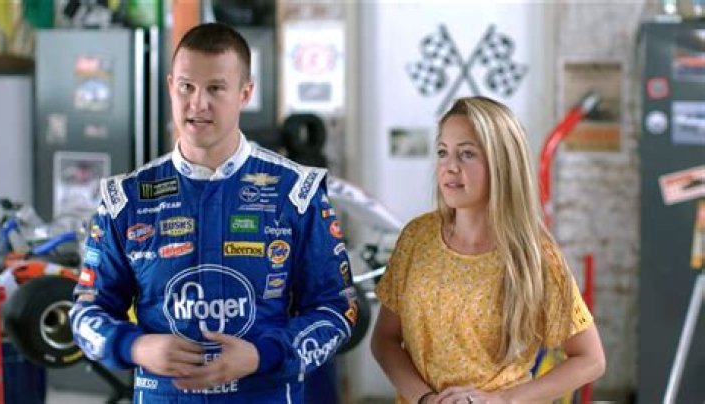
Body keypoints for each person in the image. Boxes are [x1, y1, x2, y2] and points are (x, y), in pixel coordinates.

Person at [69, 22, 357, 403]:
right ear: (170, 86)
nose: (197, 103)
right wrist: (135, 347)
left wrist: (262, 355)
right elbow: (86, 314)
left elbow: (337, 310)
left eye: (216, 88)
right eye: (186, 86)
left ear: (245, 93)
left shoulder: (296, 192)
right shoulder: (126, 199)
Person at [371, 96, 606, 404]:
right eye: (443, 152)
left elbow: (590, 359)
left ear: (502, 164)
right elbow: (384, 340)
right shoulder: (416, 238)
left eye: (466, 154)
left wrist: (504, 399)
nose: (449, 167)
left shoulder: (534, 255)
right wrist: (426, 399)